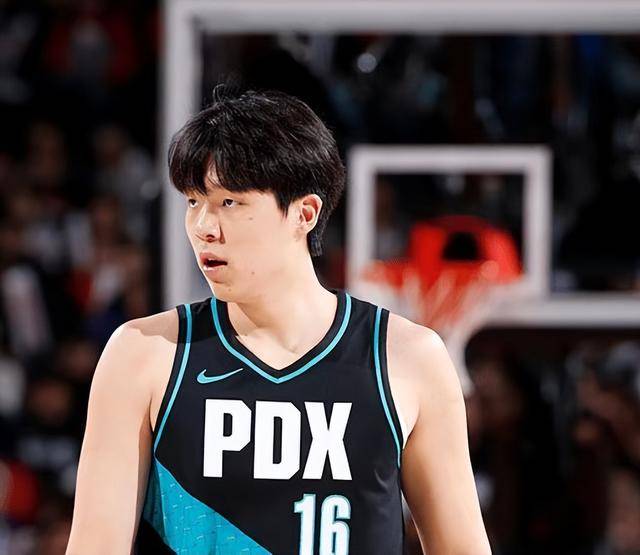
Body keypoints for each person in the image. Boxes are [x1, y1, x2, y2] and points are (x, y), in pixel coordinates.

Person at [66, 87, 491, 555]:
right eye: (193, 201)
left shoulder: (408, 359)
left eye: (229, 202)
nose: (204, 226)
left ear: (304, 213)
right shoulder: (143, 353)